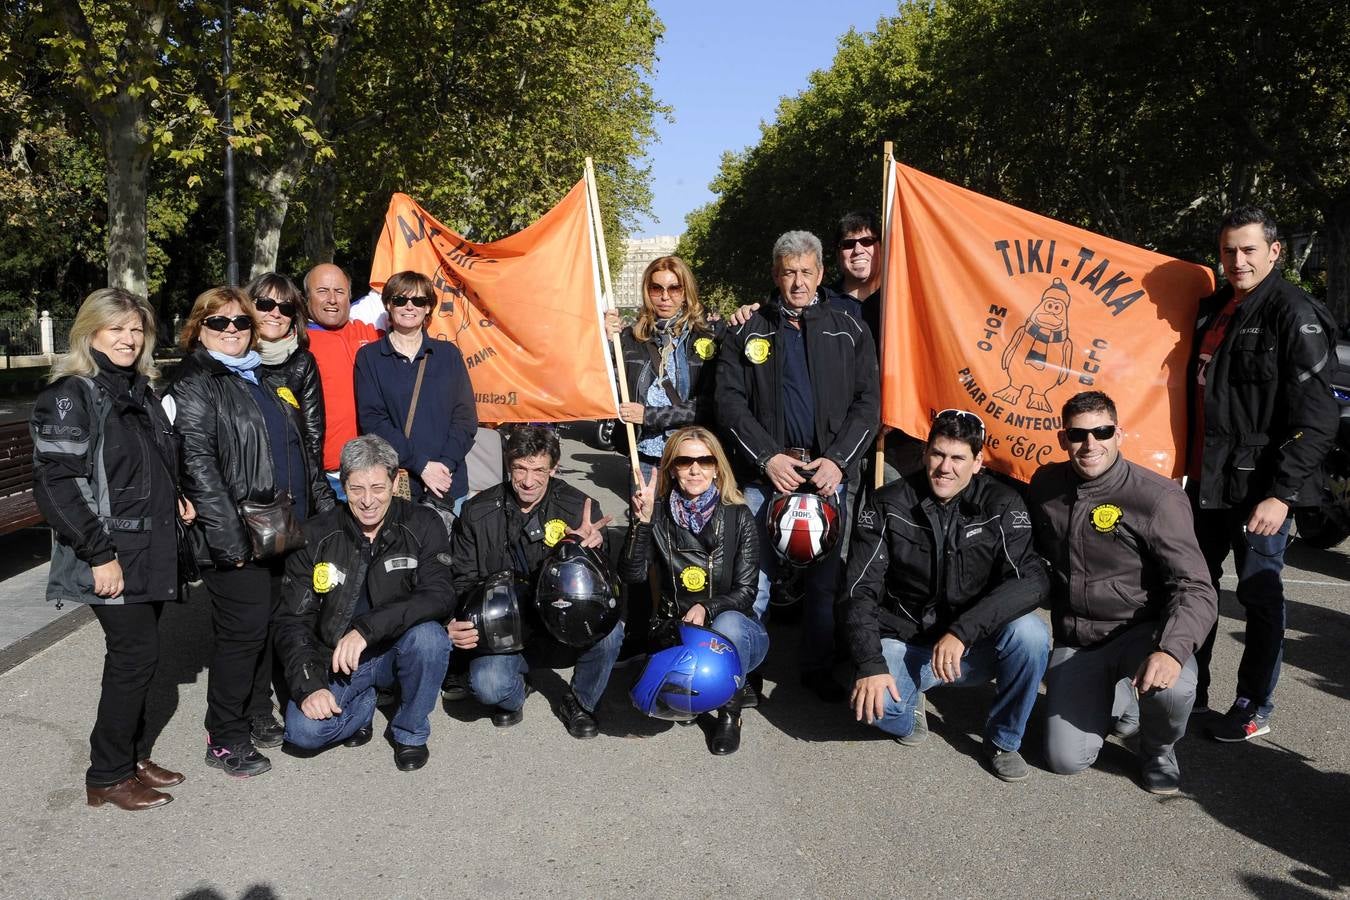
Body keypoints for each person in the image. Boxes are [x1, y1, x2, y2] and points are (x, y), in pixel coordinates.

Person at [32, 288, 195, 810]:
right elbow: (57, 484)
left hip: (150, 545)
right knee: (135, 656)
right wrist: (99, 553)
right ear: (90, 333)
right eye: (115, 329)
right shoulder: (72, 394)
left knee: (143, 659)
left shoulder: (137, 389)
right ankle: (107, 775)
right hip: (112, 552)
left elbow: (146, 464)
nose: (127, 339)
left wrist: (178, 496)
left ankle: (130, 755)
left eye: (135, 329)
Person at [1186, 207, 1339, 742]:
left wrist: (1280, 494)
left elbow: (1318, 420)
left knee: (1259, 598)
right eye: (1229, 250)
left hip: (1258, 491)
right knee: (1195, 591)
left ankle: (1253, 706)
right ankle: (1190, 696)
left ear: (1276, 251)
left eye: (1249, 249)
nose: (1237, 260)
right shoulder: (1213, 309)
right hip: (1203, 483)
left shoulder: (1294, 313)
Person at [166, 286, 330, 777]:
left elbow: (298, 449)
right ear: (199, 329)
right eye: (219, 323)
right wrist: (229, 543)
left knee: (264, 627)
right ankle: (225, 735)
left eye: (241, 322)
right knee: (241, 635)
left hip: (276, 527)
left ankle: (258, 711)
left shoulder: (255, 375)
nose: (233, 330)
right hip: (236, 535)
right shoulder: (195, 382)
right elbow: (198, 468)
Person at [715, 229, 880, 701]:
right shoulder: (747, 329)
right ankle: (745, 672)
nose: (798, 283)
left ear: (822, 273)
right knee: (755, 582)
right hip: (768, 476)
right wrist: (767, 458)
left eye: (807, 272)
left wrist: (839, 462)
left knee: (825, 586)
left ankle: (816, 667)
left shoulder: (849, 327)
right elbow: (729, 403)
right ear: (775, 275)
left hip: (828, 475)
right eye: (788, 273)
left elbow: (868, 403)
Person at [842, 409, 1049, 781]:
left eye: (958, 458)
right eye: (938, 454)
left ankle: (1004, 740)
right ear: (925, 454)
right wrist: (869, 663)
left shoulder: (1003, 503)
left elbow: (1031, 581)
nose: (945, 467)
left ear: (977, 463)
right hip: (908, 642)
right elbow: (859, 590)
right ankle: (911, 703)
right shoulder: (888, 503)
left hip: (973, 647)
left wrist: (964, 630)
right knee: (878, 710)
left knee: (1031, 634)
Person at [1029, 391, 1218, 793]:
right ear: (1063, 439)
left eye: (1102, 431)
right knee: (1066, 760)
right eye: (1078, 435)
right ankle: (1119, 699)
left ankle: (1158, 749)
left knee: (1176, 684)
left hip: (1140, 635)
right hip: (1078, 640)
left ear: (1120, 433)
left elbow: (1196, 586)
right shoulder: (1045, 485)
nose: (1090, 444)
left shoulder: (1157, 497)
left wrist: (1170, 649)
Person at [275, 435, 455, 771]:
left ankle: (410, 732)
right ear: (343, 486)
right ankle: (364, 706)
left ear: (395, 482)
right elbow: (292, 620)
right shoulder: (315, 535)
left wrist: (366, 630)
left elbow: (440, 595)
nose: (368, 500)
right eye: (356, 489)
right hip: (337, 659)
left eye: (377, 487)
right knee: (302, 734)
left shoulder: (423, 523)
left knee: (431, 638)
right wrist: (310, 686)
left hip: (397, 650)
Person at [446, 425, 622, 738]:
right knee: (488, 687)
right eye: (520, 469)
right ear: (508, 463)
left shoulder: (580, 509)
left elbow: (602, 586)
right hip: (504, 627)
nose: (528, 481)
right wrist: (457, 621)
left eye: (539, 470)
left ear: (554, 469)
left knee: (611, 629)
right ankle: (518, 689)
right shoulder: (476, 511)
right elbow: (462, 579)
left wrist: (583, 550)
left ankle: (580, 702)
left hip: (562, 623)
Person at [621, 426, 767, 755]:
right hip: (676, 628)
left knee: (726, 624)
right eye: (685, 460)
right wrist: (641, 524)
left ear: (717, 467)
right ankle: (693, 693)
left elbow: (747, 592)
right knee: (647, 701)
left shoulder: (738, 515)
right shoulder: (657, 515)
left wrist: (707, 608)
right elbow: (631, 575)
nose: (695, 468)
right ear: (672, 468)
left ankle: (730, 714)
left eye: (705, 460)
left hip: (736, 629)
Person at [248, 272, 337, 743]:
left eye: (285, 308)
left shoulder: (302, 364)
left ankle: (295, 683)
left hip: (296, 500)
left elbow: (313, 441)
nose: (275, 315)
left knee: (296, 598)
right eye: (265, 304)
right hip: (252, 506)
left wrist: (323, 507)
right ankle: (256, 702)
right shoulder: (231, 362)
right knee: (256, 608)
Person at [354, 269, 477, 528]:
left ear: (428, 308)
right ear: (388, 304)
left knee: (445, 563)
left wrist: (444, 465)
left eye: (419, 301)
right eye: (400, 300)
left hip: (447, 482)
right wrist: (421, 465)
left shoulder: (448, 355)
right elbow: (373, 422)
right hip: (399, 484)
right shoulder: (370, 358)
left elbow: (465, 418)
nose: (409, 307)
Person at [604, 256, 724, 476]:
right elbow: (604, 384)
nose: (665, 297)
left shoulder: (707, 339)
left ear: (686, 291)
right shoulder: (631, 338)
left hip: (691, 458)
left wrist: (649, 416)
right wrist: (604, 342)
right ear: (646, 291)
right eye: (656, 288)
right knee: (644, 511)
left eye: (674, 288)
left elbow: (708, 405)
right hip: (644, 456)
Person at [305, 263, 381, 497]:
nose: (332, 299)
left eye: (339, 291)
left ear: (349, 296)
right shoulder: (296, 344)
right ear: (306, 297)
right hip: (328, 477)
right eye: (322, 291)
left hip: (375, 470)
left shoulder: (372, 334)